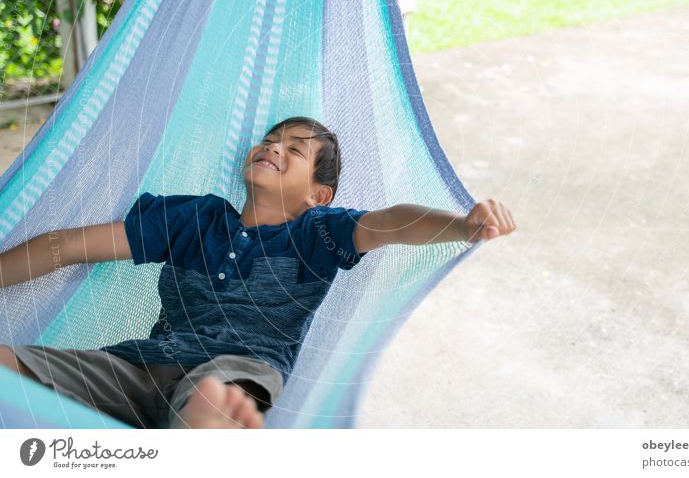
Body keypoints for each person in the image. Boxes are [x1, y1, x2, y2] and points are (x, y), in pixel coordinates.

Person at [0, 116, 515, 429]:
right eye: (271, 139)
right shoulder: (193, 219)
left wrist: (463, 225)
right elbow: (65, 246)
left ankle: (210, 430)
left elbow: (392, 225)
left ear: (318, 196)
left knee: (210, 401)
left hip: (233, 370)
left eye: (295, 150)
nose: (273, 147)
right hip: (139, 366)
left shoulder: (319, 234)